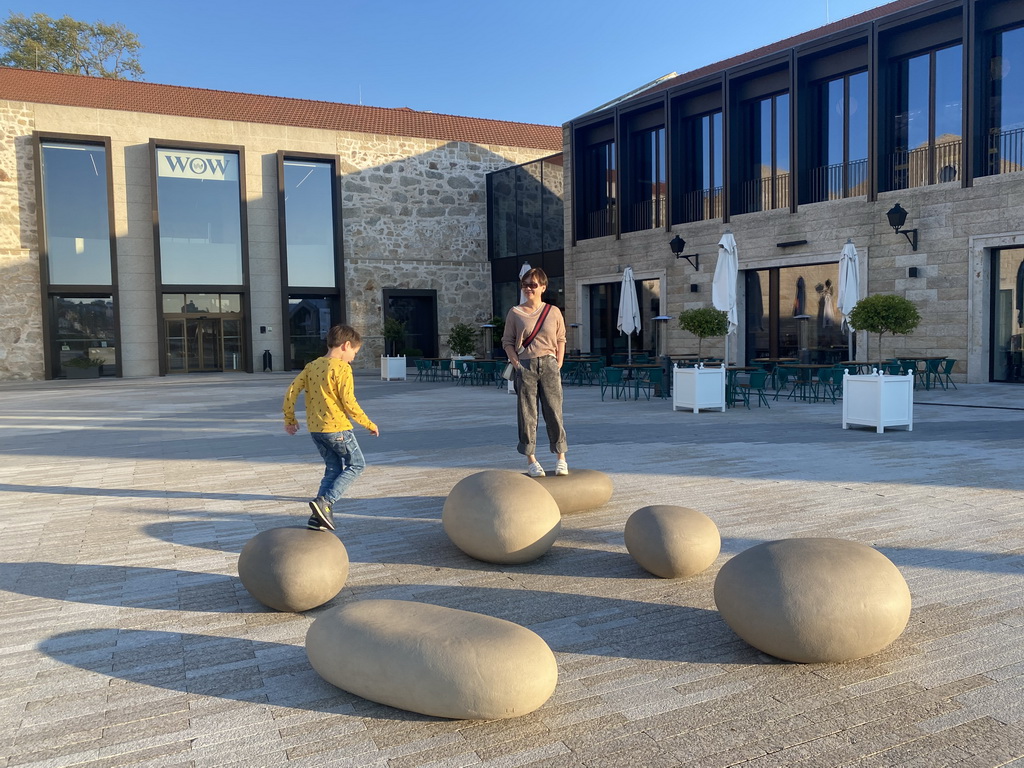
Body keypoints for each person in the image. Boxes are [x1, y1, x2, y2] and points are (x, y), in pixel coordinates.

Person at [282, 324, 379, 531]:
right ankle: (325, 502)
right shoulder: (342, 368)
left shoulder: (312, 366)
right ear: (345, 345)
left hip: (316, 430)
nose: (353, 357)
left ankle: (317, 518)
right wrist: (368, 423)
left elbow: (292, 391)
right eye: (354, 352)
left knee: (333, 468)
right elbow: (349, 402)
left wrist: (290, 419)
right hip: (338, 429)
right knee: (357, 465)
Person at [502, 267, 569, 477]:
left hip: (549, 365)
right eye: (525, 284)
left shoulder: (553, 312)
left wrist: (558, 362)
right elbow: (507, 341)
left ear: (543, 287)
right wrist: (516, 363)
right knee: (527, 414)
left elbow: (561, 339)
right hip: (526, 365)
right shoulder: (515, 313)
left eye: (532, 285)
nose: (528, 288)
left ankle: (561, 457)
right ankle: (531, 459)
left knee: (554, 412)